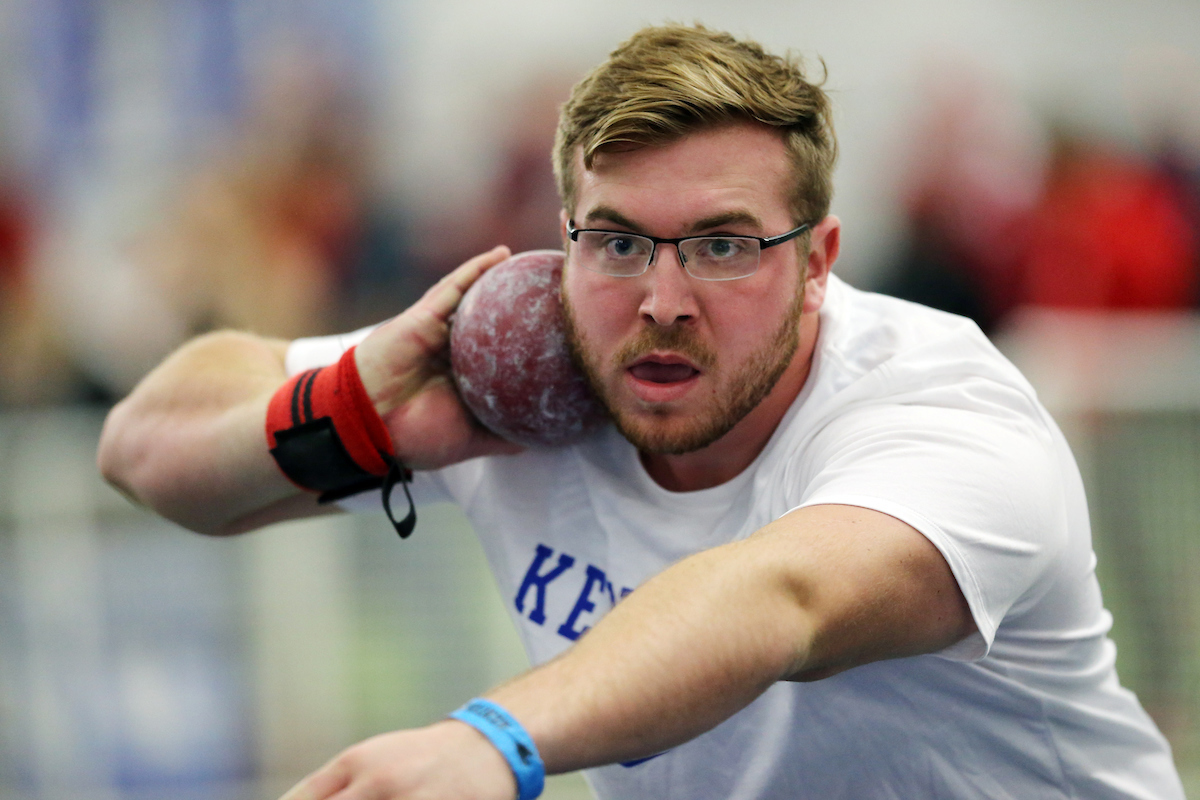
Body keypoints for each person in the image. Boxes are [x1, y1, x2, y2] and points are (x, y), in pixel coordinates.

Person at [98, 24, 1185, 800]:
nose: (661, 302)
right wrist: (364, 407)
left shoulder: (941, 406)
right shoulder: (520, 369)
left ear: (818, 264)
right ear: (564, 239)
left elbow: (778, 595)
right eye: (617, 241)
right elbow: (143, 444)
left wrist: (496, 739)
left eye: (723, 245)